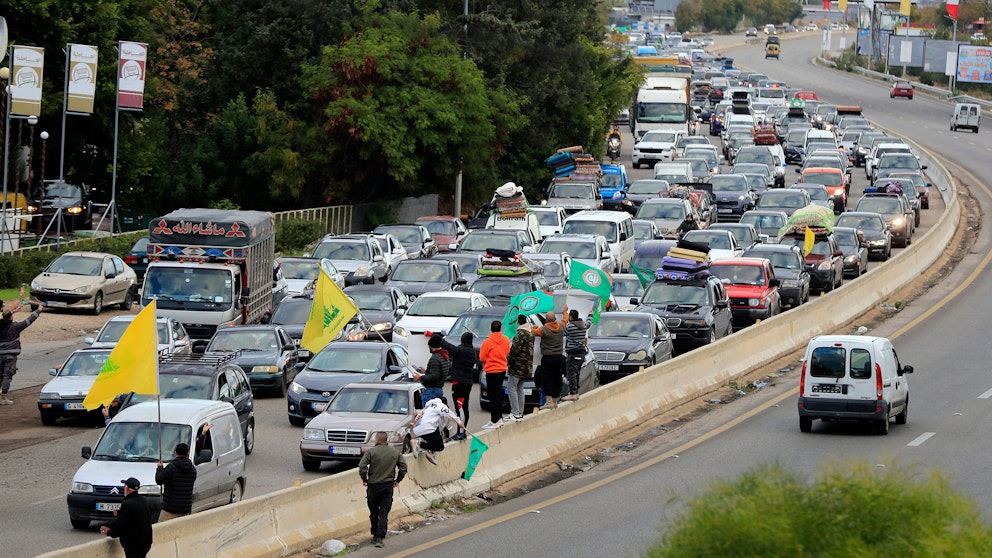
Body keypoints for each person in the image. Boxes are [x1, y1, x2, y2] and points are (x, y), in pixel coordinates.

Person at [358, 432, 408, 549]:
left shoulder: (371, 452)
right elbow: (404, 468)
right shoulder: (395, 453)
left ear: (376, 439)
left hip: (373, 486)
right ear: (386, 440)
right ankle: (380, 536)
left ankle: (375, 534)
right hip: (387, 486)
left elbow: (362, 467)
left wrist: (365, 479)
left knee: (374, 511)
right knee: (384, 512)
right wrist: (397, 480)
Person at [432, 331, 479, 441]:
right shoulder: (470, 351)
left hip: (460, 385)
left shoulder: (463, 351)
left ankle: (461, 433)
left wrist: (438, 339)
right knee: (462, 408)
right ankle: (460, 431)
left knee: (461, 408)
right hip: (465, 384)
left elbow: (450, 347)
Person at [0, 300, 42, 404]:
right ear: (11, 317)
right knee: (7, 375)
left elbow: (5, 318)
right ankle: (4, 397)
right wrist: (39, 310)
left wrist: (13, 311)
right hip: (11, 355)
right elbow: (29, 320)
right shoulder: (15, 327)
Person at [99, 477, 153, 558]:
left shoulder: (127, 504)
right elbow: (136, 517)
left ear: (127, 488)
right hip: (146, 542)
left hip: (133, 545)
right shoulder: (144, 501)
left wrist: (109, 532)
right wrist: (121, 513)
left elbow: (122, 526)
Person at [411, 396, 464, 464]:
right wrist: (459, 422)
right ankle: (419, 444)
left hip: (417, 429)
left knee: (436, 435)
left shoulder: (429, 407)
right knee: (440, 446)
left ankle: (430, 453)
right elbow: (448, 413)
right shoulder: (440, 405)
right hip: (426, 428)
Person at [479, 320, 510, 428]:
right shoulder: (505, 340)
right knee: (498, 393)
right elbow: (507, 352)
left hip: (491, 370)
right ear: (500, 328)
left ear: (491, 329)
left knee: (492, 395)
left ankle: (494, 419)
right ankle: (499, 418)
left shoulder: (487, 342)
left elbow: (482, 357)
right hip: (501, 369)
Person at [532, 310, 566, 410]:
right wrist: (565, 311)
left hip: (547, 358)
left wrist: (533, 327)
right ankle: (555, 401)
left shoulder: (543, 329)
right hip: (559, 357)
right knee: (557, 378)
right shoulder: (561, 326)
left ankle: (549, 401)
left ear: (546, 320)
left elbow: (533, 332)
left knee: (547, 380)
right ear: (555, 318)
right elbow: (565, 320)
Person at [155, 443, 197, 521]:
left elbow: (159, 480)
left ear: (176, 453)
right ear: (187, 453)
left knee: (162, 530)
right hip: (185, 508)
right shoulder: (192, 469)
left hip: (170, 508)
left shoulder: (171, 467)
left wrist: (159, 468)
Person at [506, 315, 534, 422]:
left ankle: (515, 412)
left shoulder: (520, 334)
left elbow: (514, 351)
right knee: (520, 389)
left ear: (518, 323)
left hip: (517, 367)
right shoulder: (531, 334)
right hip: (527, 367)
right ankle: (520, 412)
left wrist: (508, 361)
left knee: (511, 388)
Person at [563, 308, 592, 402]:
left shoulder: (570, 327)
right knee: (577, 373)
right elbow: (589, 323)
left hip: (572, 353)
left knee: (571, 374)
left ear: (570, 317)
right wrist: (590, 315)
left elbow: (564, 333)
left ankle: (573, 394)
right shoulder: (583, 325)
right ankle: (576, 392)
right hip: (581, 352)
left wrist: (564, 317)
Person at [413, 335, 450, 403]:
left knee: (428, 412)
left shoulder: (435, 358)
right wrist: (427, 371)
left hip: (431, 391)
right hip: (439, 388)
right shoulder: (444, 355)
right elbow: (439, 371)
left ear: (431, 346)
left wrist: (420, 377)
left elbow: (434, 376)